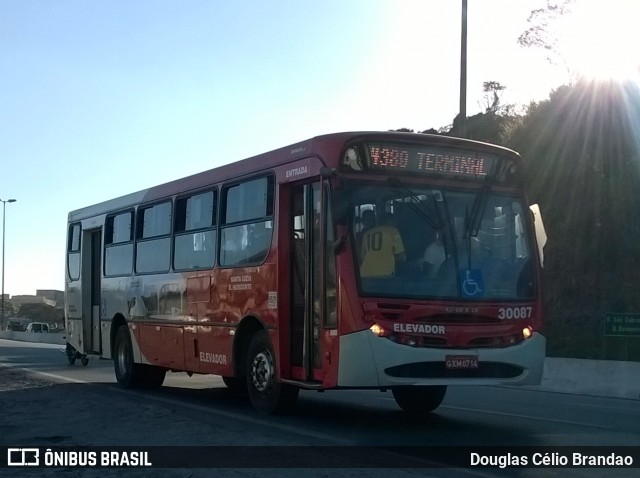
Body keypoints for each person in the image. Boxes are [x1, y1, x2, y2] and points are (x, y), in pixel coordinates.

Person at [360, 212, 406, 278]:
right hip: (385, 274)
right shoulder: (393, 231)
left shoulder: (367, 234)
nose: (396, 223)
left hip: (364, 275)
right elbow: (402, 257)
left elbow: (362, 257)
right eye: (394, 220)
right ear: (389, 220)